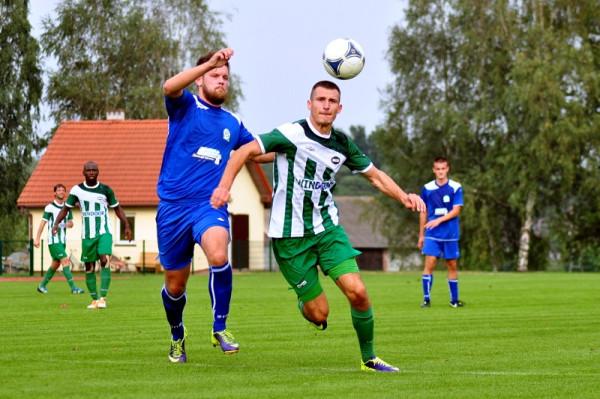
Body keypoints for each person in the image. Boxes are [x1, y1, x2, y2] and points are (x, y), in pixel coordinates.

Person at [211, 80, 426, 373]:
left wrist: (404, 196)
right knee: (319, 313)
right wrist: (224, 187)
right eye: (320, 99)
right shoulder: (290, 134)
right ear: (309, 104)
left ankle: (369, 359)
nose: (326, 105)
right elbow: (242, 152)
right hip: (290, 239)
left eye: (332, 100)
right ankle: (306, 305)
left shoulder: (342, 144)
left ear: (340, 108)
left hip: (327, 230)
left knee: (358, 292)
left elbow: (375, 176)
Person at [158, 48, 268, 363]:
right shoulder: (185, 106)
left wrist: (296, 146)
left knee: (219, 255)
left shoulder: (233, 122)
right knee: (175, 286)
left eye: (225, 77)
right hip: (173, 208)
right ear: (200, 80)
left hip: (209, 206)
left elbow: (256, 150)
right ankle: (177, 334)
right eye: (215, 76)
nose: (221, 81)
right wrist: (208, 62)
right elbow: (169, 86)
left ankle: (219, 327)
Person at [52, 161, 132, 309]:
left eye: (94, 170)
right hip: (87, 235)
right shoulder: (76, 190)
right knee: (89, 267)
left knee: (104, 259)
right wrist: (56, 223)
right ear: (83, 172)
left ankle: (103, 298)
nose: (91, 172)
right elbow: (65, 209)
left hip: (103, 232)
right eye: (88, 170)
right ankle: (94, 299)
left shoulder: (106, 190)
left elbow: (117, 208)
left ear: (98, 172)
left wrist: (126, 225)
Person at [417, 157, 464, 308]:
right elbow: (423, 212)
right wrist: (421, 234)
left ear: (447, 169)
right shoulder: (427, 188)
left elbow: (456, 211)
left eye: (443, 169)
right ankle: (426, 299)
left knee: (452, 265)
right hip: (432, 234)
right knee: (430, 264)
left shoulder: (456, 187)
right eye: (437, 169)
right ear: (433, 170)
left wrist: (438, 220)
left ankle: (454, 300)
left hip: (450, 234)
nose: (440, 172)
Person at [34, 184, 85, 295]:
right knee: (65, 260)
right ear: (55, 193)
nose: (61, 192)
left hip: (62, 241)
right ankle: (74, 288)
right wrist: (37, 238)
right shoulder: (50, 207)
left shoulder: (67, 208)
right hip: (53, 240)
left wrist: (65, 224)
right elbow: (43, 223)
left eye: (63, 190)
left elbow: (71, 223)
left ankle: (41, 286)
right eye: (59, 190)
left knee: (56, 264)